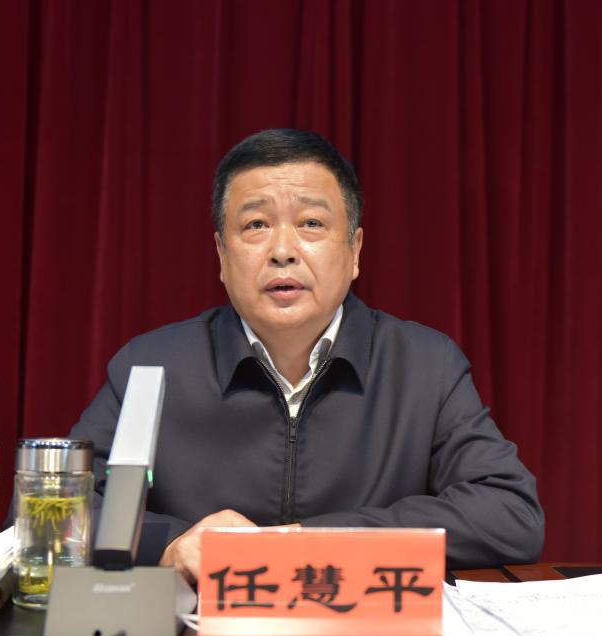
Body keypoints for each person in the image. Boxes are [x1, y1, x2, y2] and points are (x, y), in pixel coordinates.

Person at [70, 129, 544, 583]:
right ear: (221, 254)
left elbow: (509, 514)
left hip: (363, 634)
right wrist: (171, 546)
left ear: (355, 250)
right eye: (256, 225)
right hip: (202, 635)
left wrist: (308, 542)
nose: (282, 251)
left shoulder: (423, 365)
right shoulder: (152, 365)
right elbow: (59, 509)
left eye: (311, 224)